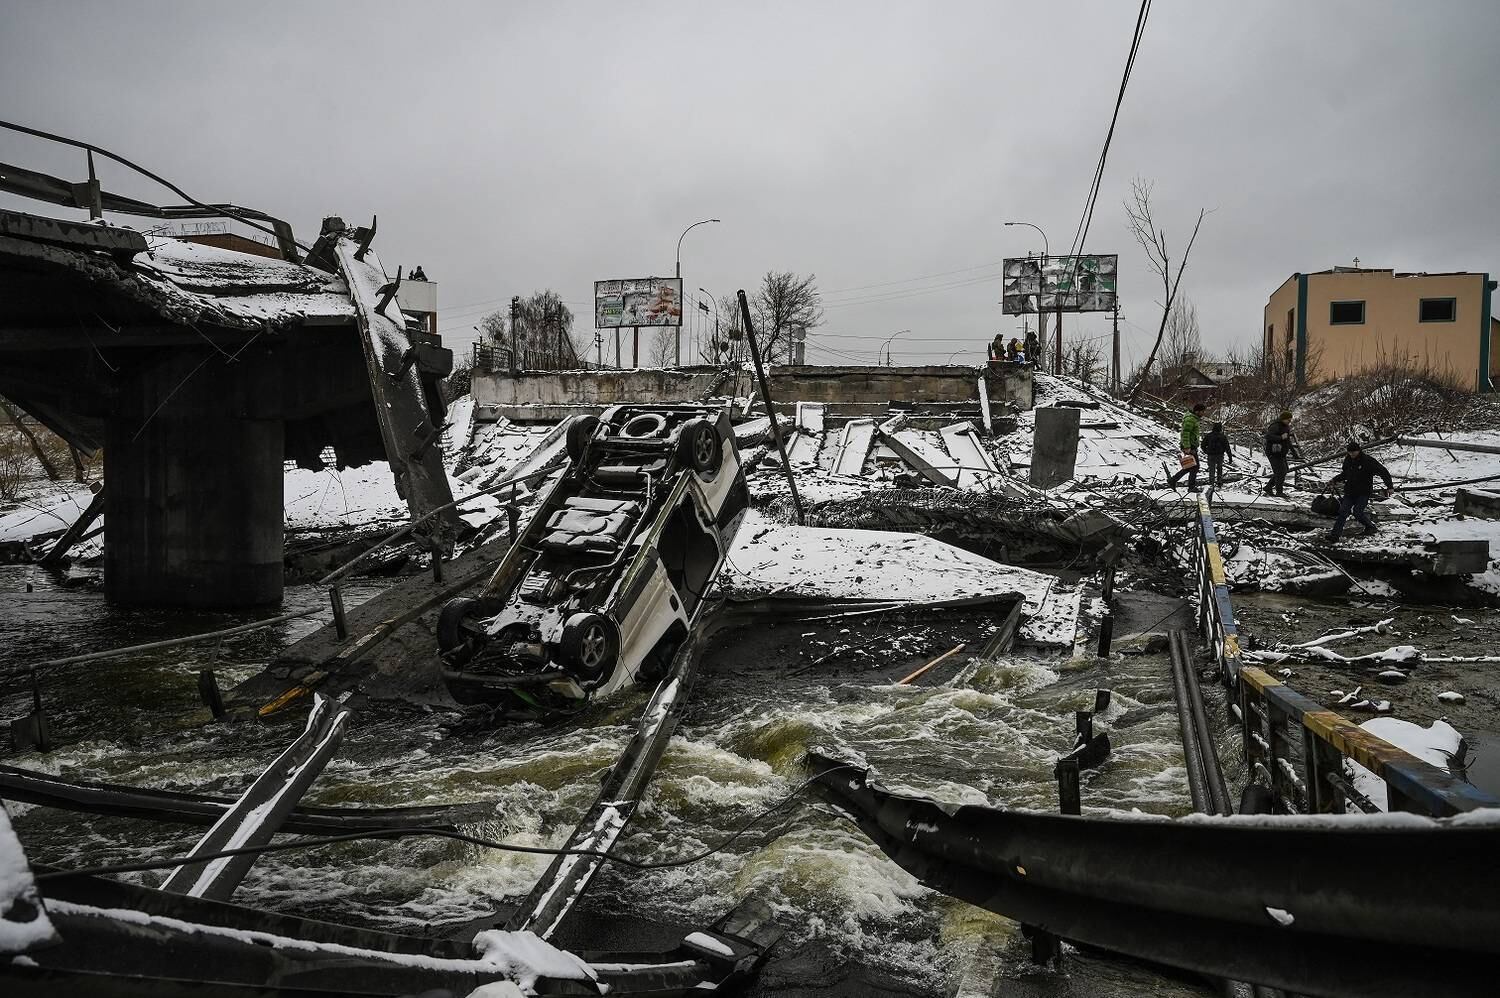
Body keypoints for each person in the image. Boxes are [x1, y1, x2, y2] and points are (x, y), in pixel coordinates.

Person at [1327, 442, 1393, 542]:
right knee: (1343, 512)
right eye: (1350, 452)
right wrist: (1335, 480)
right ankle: (1335, 536)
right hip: (1350, 491)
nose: (1352, 454)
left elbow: (1383, 471)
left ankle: (1370, 527)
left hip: (1363, 492)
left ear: (1359, 450)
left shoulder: (1367, 460)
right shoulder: (1348, 460)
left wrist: (1389, 486)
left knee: (1357, 512)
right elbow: (1345, 474)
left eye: (1354, 452)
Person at [1167, 402, 1208, 490]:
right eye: (1202, 412)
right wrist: (1187, 447)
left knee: (1190, 466)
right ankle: (1191, 487)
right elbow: (1185, 433)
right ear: (1197, 411)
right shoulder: (1190, 419)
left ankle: (1173, 480)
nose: (1203, 414)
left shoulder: (1193, 418)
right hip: (1189, 446)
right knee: (1195, 467)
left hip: (1191, 445)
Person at [1263, 409, 1301, 497]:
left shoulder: (1286, 427)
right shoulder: (1275, 426)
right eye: (1288, 420)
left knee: (1284, 471)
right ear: (1283, 419)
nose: (1289, 421)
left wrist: (1295, 455)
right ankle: (1279, 492)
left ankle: (1268, 487)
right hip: (1273, 453)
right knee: (1280, 472)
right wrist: (1280, 437)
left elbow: (1288, 441)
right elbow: (1268, 436)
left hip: (1281, 453)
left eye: (1290, 420)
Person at [1201, 421, 1233, 492]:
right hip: (1220, 455)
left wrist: (1206, 451)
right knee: (1219, 469)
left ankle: (1211, 484)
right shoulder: (1223, 436)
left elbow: (1202, 445)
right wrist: (1230, 458)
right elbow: (1227, 448)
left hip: (1211, 455)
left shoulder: (1209, 435)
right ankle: (1219, 482)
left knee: (1211, 470)